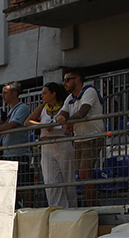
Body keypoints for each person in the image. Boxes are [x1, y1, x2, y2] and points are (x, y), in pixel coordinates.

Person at [57, 68, 105, 206]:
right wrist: (63, 118)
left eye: (67, 80)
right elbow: (62, 114)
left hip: (92, 137)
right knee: (82, 176)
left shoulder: (89, 91)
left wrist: (68, 122)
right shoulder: (70, 98)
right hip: (79, 139)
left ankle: (94, 208)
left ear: (77, 80)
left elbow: (82, 112)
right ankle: (91, 207)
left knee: (85, 174)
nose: (64, 83)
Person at [27, 82, 75, 209]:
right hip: (46, 146)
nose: (42, 96)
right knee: (51, 182)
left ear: (53, 94)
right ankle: (56, 209)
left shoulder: (64, 107)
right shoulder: (42, 107)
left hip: (62, 143)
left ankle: (71, 209)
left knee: (67, 179)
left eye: (45, 93)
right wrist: (42, 126)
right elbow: (28, 122)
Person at [0, 82, 33, 188]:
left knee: (24, 185)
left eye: (5, 93)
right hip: (8, 154)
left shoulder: (22, 108)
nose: (3, 96)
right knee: (11, 186)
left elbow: (13, 125)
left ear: (14, 94)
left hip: (19, 153)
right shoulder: (10, 111)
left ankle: (27, 204)